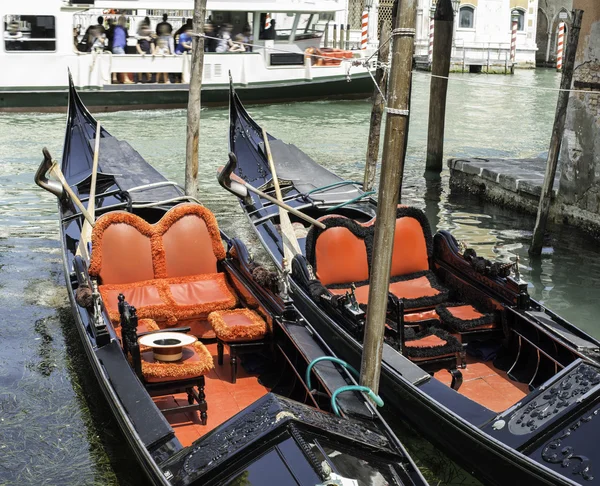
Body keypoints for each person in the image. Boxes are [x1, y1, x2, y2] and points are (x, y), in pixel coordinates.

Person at [111, 16, 133, 83]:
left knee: (115, 63)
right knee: (124, 62)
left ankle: (114, 78)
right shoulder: (120, 28)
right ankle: (126, 79)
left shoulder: (117, 28)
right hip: (118, 47)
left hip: (115, 47)